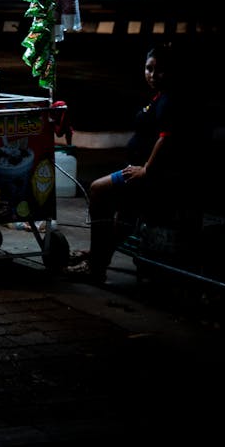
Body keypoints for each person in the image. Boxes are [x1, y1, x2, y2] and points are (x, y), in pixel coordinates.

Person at [65, 44, 182, 284]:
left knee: (98, 190)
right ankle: (96, 258)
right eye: (149, 69)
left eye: (159, 70)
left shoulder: (169, 100)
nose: (153, 74)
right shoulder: (159, 98)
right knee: (121, 219)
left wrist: (147, 169)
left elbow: (166, 138)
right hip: (140, 171)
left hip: (147, 175)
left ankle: (96, 266)